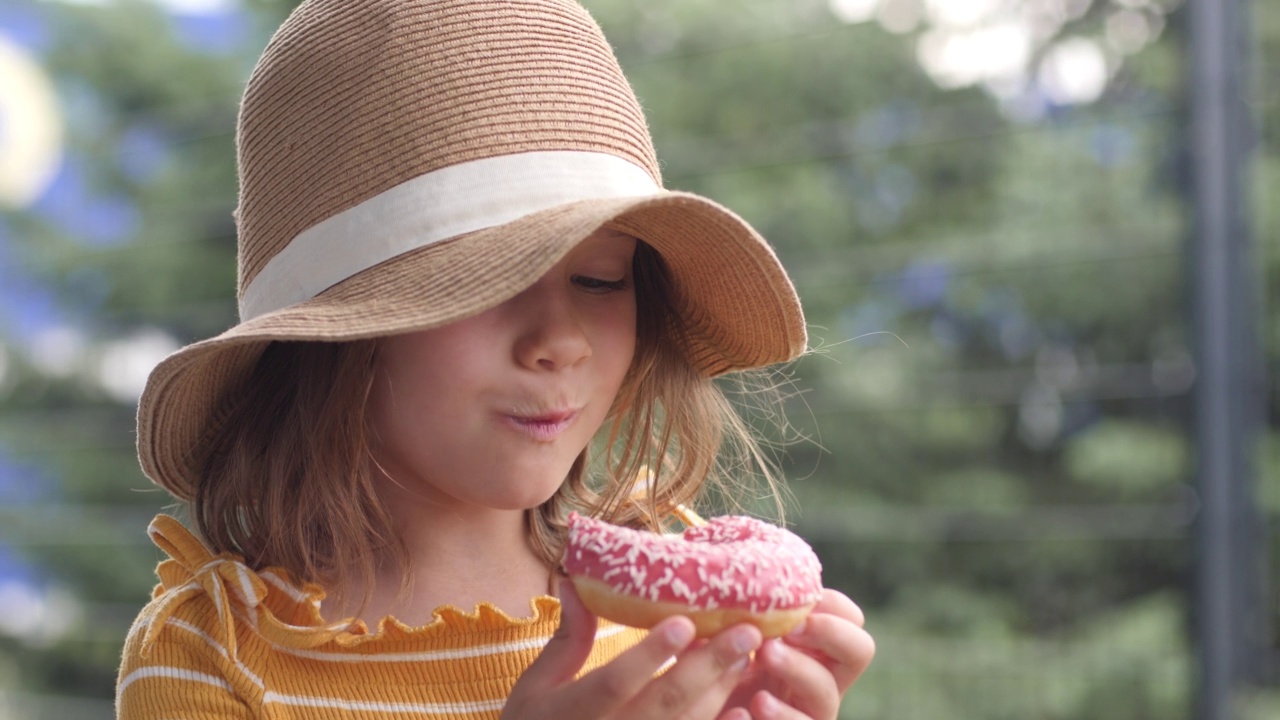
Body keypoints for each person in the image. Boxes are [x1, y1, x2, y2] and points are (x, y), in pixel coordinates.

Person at [115, 0, 875, 718]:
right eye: (485, 284)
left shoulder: (668, 614)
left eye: (600, 280)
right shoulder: (211, 654)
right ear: (339, 336)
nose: (562, 341)